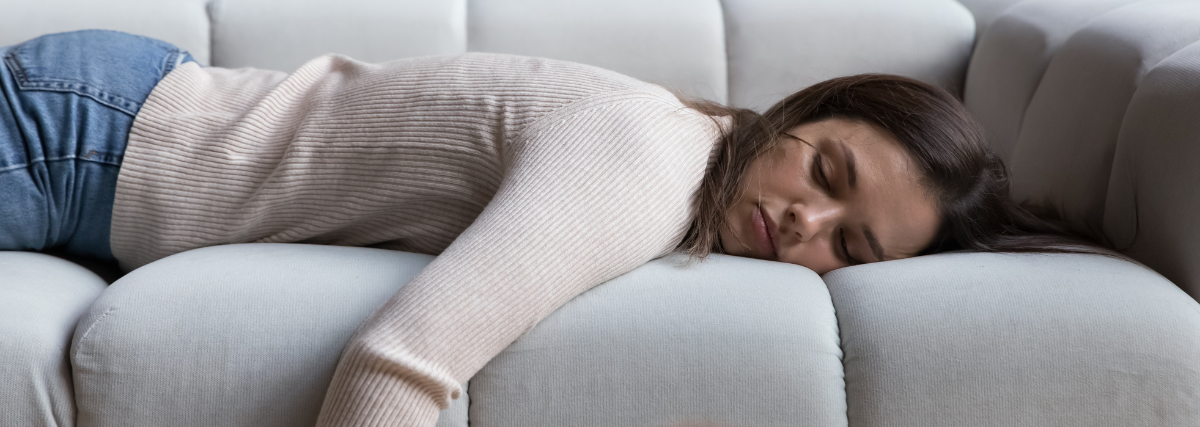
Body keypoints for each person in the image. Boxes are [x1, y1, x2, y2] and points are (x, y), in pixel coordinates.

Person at [0, 30, 1094, 427]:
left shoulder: (681, 160)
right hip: (87, 141)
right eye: (827, 170)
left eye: (848, 244)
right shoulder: (647, 159)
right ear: (798, 115)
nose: (808, 218)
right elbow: (400, 361)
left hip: (109, 144)